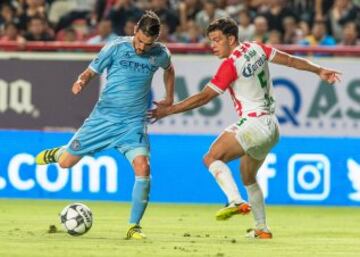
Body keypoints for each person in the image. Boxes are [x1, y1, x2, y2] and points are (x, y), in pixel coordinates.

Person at [149, 17, 341, 239]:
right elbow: (288, 60)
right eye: (211, 40)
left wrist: (169, 110)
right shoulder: (256, 48)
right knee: (247, 176)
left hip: (255, 123)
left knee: (212, 157)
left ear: (231, 39)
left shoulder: (230, 64)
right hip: (272, 128)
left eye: (217, 40)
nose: (213, 45)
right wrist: (318, 70)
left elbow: (204, 97)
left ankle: (235, 200)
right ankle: (262, 229)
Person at [35, 11, 175, 240]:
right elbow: (90, 71)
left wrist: (169, 97)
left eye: (147, 44)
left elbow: (169, 69)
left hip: (133, 124)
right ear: (134, 31)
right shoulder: (116, 47)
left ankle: (133, 226)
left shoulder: (160, 54)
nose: (141, 48)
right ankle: (59, 153)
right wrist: (81, 82)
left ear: (155, 41)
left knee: (143, 168)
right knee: (65, 164)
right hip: (103, 119)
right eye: (139, 41)